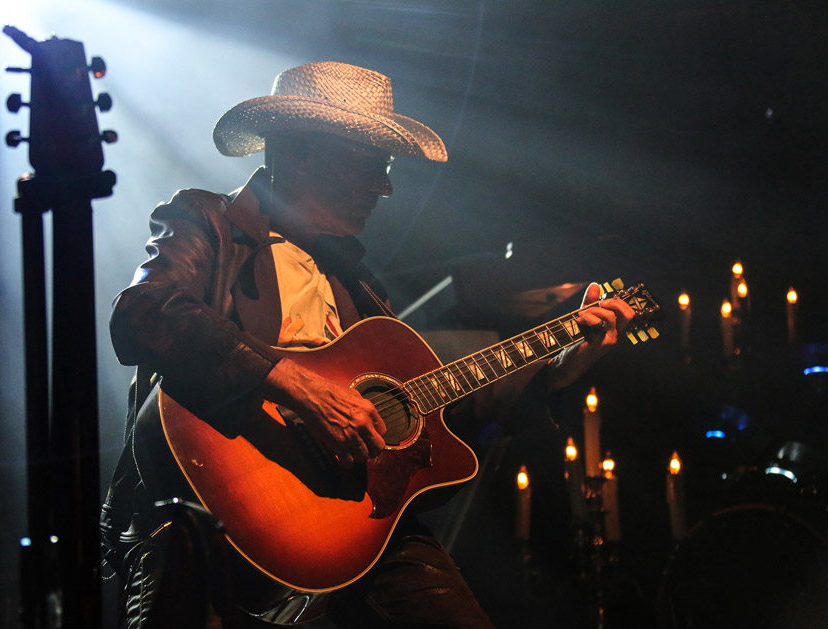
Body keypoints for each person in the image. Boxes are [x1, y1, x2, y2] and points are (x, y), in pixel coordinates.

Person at [101, 61, 635, 628]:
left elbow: (438, 419)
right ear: (298, 152)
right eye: (369, 165)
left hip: (355, 518)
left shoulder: (358, 285)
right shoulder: (206, 219)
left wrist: (557, 368)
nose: (384, 187)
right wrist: (291, 381)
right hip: (201, 513)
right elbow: (144, 312)